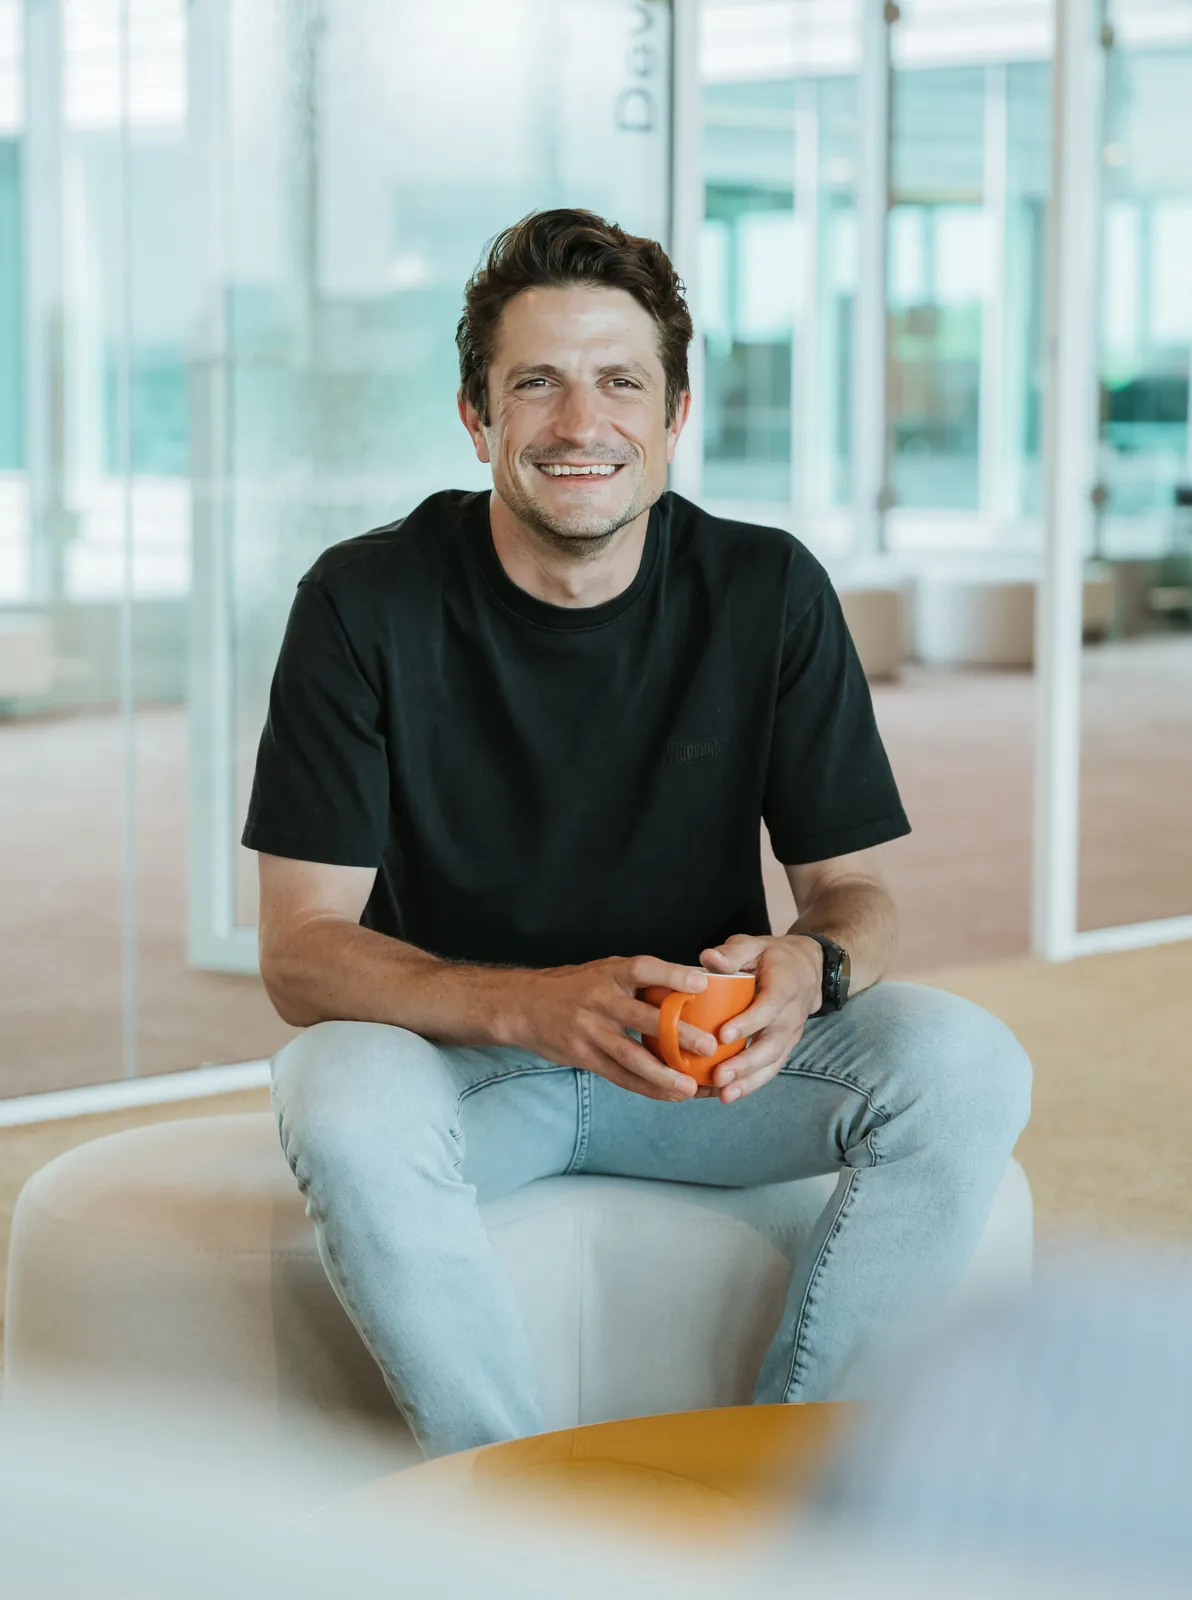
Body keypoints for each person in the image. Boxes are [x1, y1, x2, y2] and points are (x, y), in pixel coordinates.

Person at [244, 208, 1032, 1459]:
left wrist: (810, 964)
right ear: (477, 417)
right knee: (335, 1088)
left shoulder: (767, 586)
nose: (580, 423)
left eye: (620, 382)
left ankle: (790, 1483)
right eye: (536, 384)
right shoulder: (361, 600)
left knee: (967, 1061)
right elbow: (300, 951)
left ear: (673, 417)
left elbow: (854, 892)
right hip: (468, 1070)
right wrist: (531, 1006)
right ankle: (506, 1496)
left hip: (704, 1070)